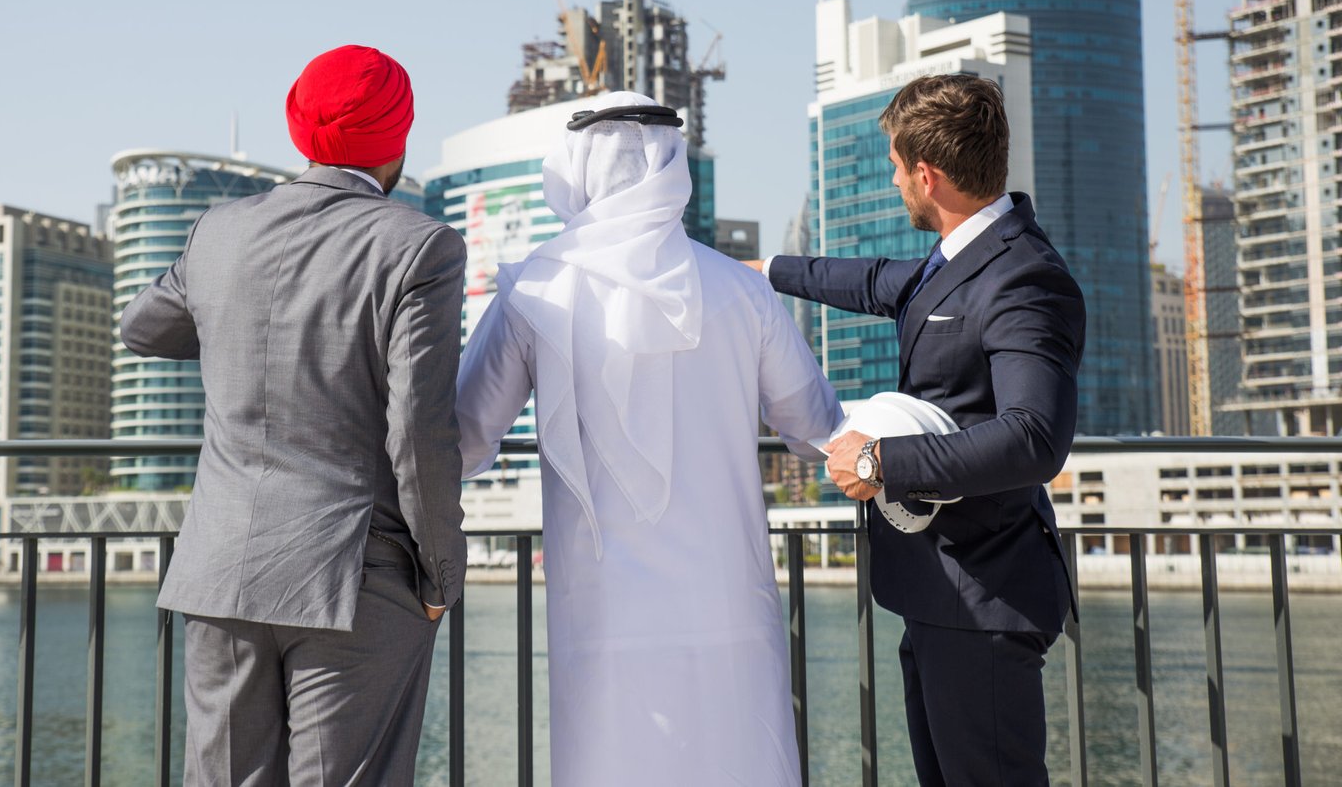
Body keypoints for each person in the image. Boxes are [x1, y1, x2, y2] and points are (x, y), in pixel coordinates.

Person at [455, 91, 843, 786]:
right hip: (727, 607)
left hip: (603, 613)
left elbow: (462, 437)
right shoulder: (743, 291)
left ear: (579, 166)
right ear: (671, 163)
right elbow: (817, 428)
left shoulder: (533, 291)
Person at [121, 44, 467, 787]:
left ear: (298, 128)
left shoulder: (218, 231)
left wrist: (240, 321)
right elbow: (418, 432)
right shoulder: (420, 247)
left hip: (221, 571)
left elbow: (142, 329)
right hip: (356, 574)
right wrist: (441, 575)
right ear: (399, 138)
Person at [751, 74, 1084, 786]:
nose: (895, 180)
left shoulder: (1024, 278)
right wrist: (757, 272)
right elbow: (871, 279)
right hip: (942, 592)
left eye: (898, 168)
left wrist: (880, 462)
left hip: (986, 597)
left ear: (927, 175)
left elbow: (1035, 438)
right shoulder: (958, 259)